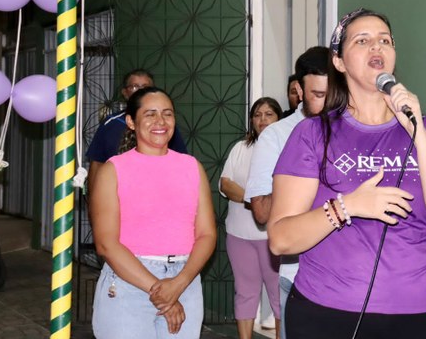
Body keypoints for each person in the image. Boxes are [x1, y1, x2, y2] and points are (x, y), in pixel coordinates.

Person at [267, 8, 426, 339]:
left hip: (419, 314)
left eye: (385, 40)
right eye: (362, 41)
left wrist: (415, 130)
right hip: (327, 313)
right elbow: (281, 238)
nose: (377, 46)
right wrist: (348, 206)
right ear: (339, 61)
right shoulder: (312, 133)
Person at [90, 87, 216, 338]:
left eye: (167, 114)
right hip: (129, 282)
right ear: (131, 122)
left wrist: (178, 284)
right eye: (150, 114)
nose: (160, 121)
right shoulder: (112, 170)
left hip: (185, 281)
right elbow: (106, 244)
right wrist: (160, 290)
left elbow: (207, 234)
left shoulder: (192, 167)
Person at [244, 46, 330, 339]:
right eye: (319, 94)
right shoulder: (277, 135)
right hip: (299, 278)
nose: (328, 102)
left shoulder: (352, 129)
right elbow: (261, 212)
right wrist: (302, 179)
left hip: (352, 279)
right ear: (299, 91)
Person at [220, 97, 284, 339]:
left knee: (278, 295)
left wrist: (251, 198)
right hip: (239, 235)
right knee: (245, 292)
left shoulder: (287, 148)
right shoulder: (240, 148)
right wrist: (256, 201)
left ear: (279, 118)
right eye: (257, 115)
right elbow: (226, 184)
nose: (262, 119)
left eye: (269, 114)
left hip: (273, 237)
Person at [86, 69, 188, 191]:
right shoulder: (110, 124)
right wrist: (92, 197)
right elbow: (97, 163)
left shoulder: (164, 127)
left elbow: (181, 163)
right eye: (134, 87)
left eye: (146, 87)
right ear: (124, 92)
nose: (140, 91)